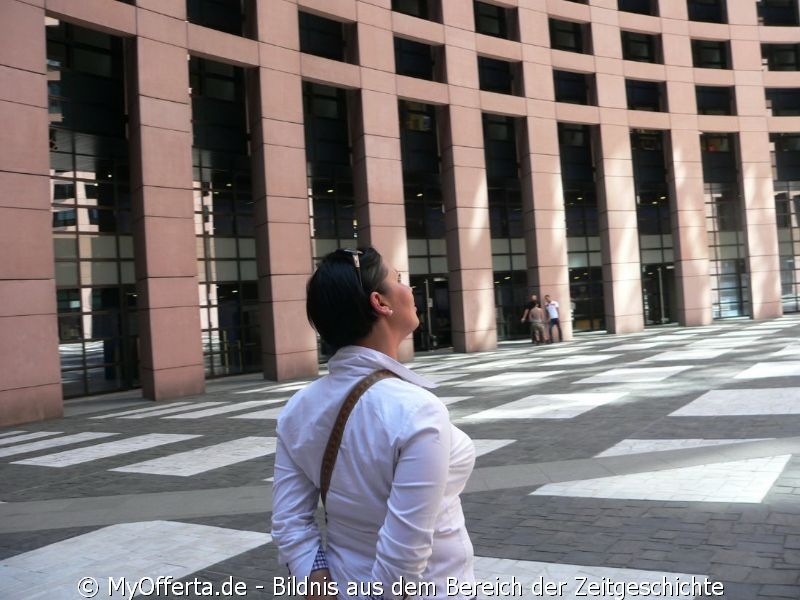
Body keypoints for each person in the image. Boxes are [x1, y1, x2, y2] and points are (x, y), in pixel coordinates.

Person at [272, 247, 476, 600]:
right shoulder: (416, 410)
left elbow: (290, 523)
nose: (408, 288)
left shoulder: (298, 409)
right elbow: (403, 555)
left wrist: (319, 586)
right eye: (398, 279)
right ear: (380, 302)